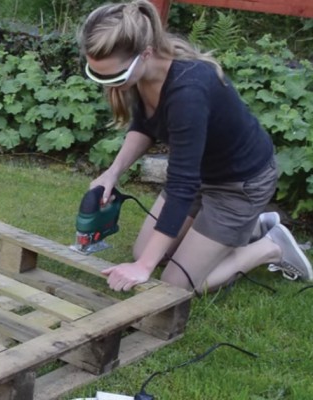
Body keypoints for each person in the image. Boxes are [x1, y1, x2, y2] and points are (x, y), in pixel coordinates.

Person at [77, 0, 312, 292]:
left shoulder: (188, 92)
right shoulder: (145, 73)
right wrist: (113, 173)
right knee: (145, 252)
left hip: (238, 185)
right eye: (98, 75)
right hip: (202, 174)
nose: (109, 85)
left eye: (115, 76)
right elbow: (145, 124)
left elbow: (181, 185)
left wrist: (143, 269)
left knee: (177, 283)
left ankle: (270, 246)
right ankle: (247, 229)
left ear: (145, 54)